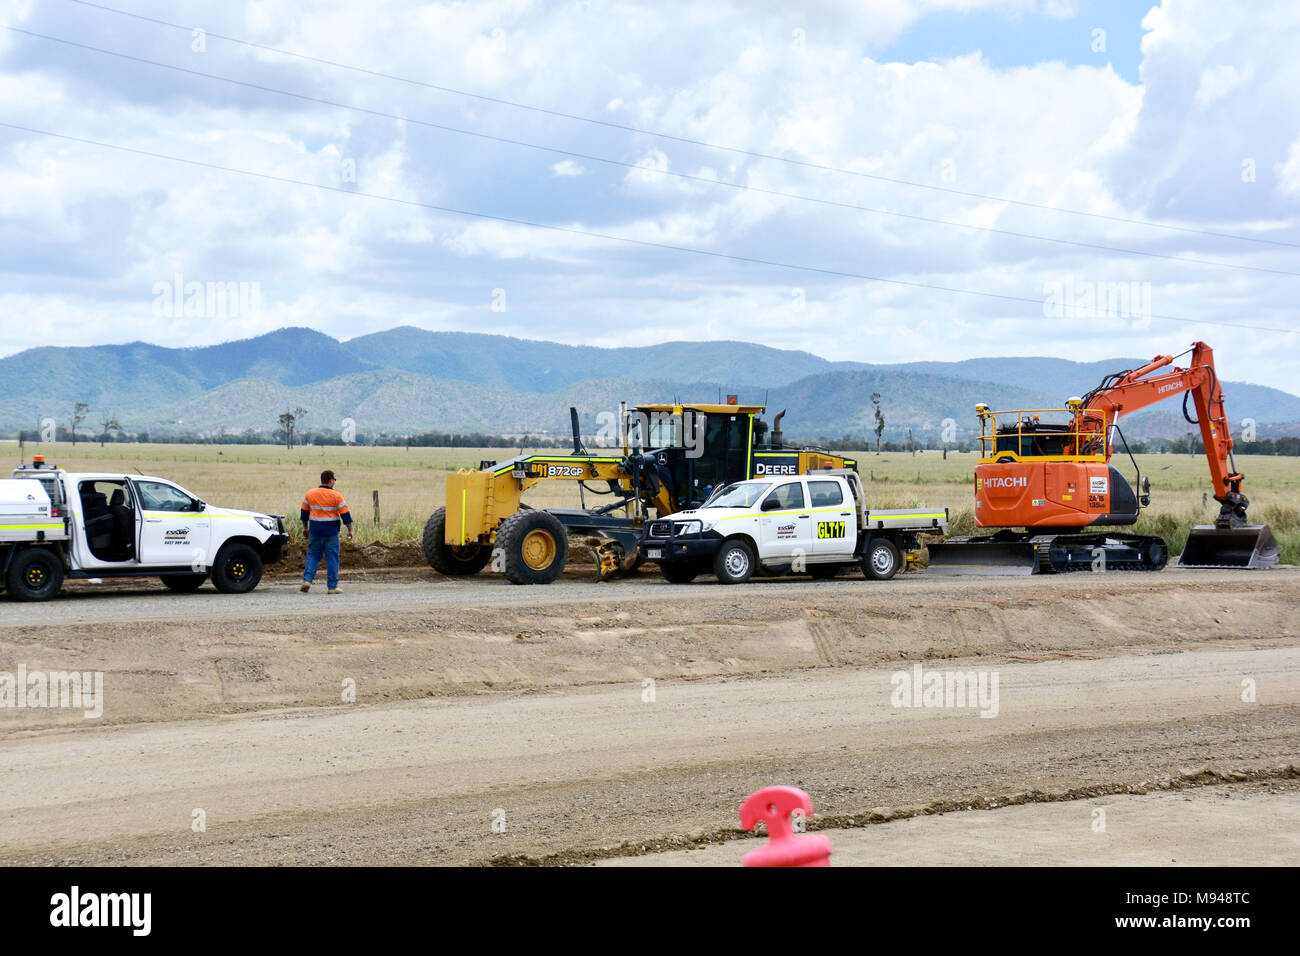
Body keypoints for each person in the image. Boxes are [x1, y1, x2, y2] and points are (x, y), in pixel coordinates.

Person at [300, 469, 353, 594]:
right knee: (332, 558)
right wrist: (350, 530)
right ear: (331, 481)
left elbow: (304, 513)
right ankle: (332, 587)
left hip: (315, 530)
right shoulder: (336, 495)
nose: (334, 481)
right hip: (331, 532)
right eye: (334, 479)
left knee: (313, 555)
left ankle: (307, 580)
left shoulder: (310, 493)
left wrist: (305, 528)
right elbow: (345, 514)